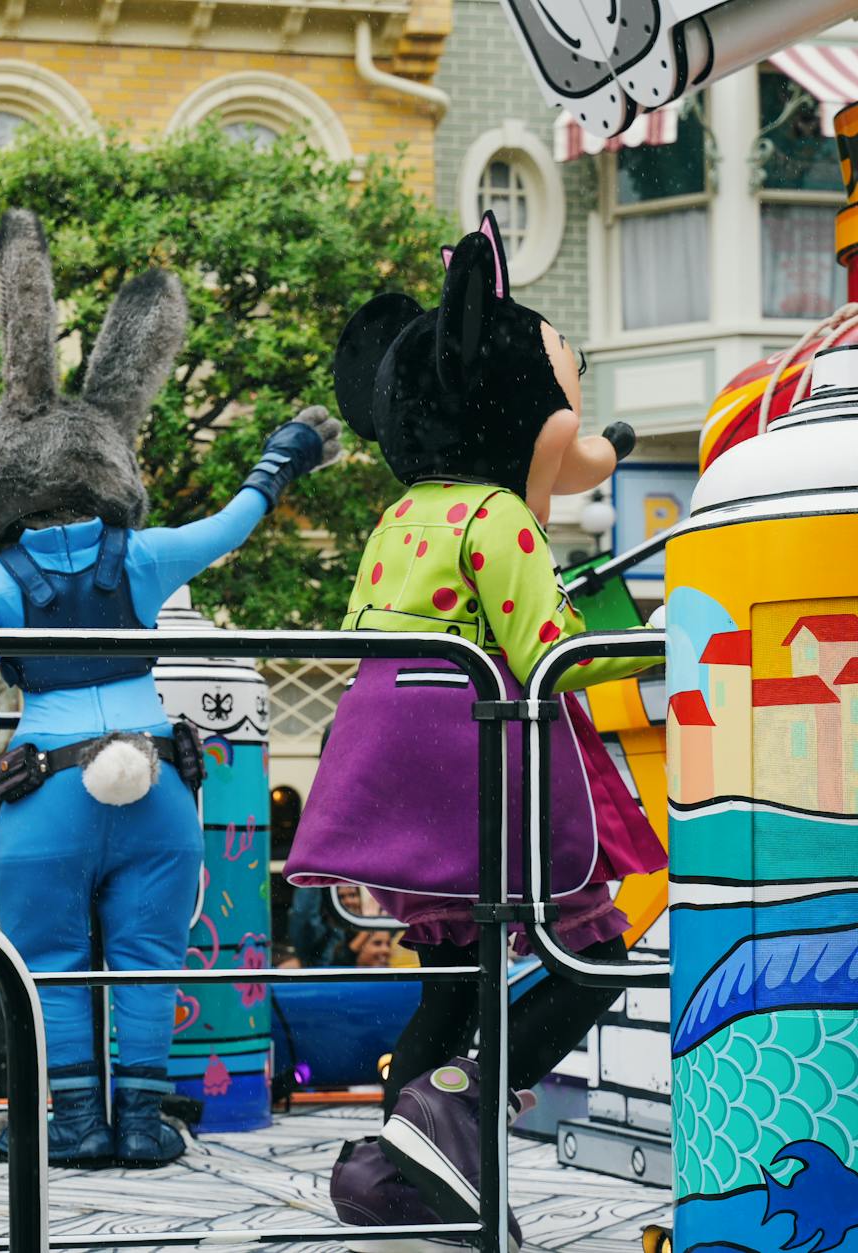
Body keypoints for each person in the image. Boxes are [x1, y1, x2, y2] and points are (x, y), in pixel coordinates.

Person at [0, 209, 340, 1168]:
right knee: (148, 957)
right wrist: (282, 459)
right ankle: (143, 1124)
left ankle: (72, 1125)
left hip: (47, 784)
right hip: (159, 779)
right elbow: (231, 523)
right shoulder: (142, 556)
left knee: (53, 961)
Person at [287, 214, 664, 1240]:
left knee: (450, 977)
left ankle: (392, 1170)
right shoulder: (498, 516)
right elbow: (548, 644)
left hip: (384, 755)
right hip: (477, 747)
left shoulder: (400, 513)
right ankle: (460, 1095)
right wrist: (660, 637)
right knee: (594, 949)